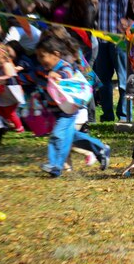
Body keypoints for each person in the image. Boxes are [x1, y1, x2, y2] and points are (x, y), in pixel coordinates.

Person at [32, 36, 111, 178]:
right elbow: (37, 82)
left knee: (57, 135)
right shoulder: (44, 69)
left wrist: (58, 75)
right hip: (57, 110)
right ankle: (101, 149)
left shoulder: (63, 66)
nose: (40, 59)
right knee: (72, 137)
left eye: (43, 56)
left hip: (68, 110)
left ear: (56, 54)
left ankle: (55, 165)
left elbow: (67, 74)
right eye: (38, 56)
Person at [95, 0, 131, 122]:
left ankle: (123, 115)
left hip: (119, 40)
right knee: (102, 78)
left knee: (123, 79)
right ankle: (107, 114)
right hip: (102, 38)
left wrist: (124, 28)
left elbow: (127, 11)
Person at [0, 42, 24, 133]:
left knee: (10, 111)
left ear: (1, 54)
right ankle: (9, 123)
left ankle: (19, 128)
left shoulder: (6, 65)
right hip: (3, 93)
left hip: (10, 92)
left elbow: (9, 76)